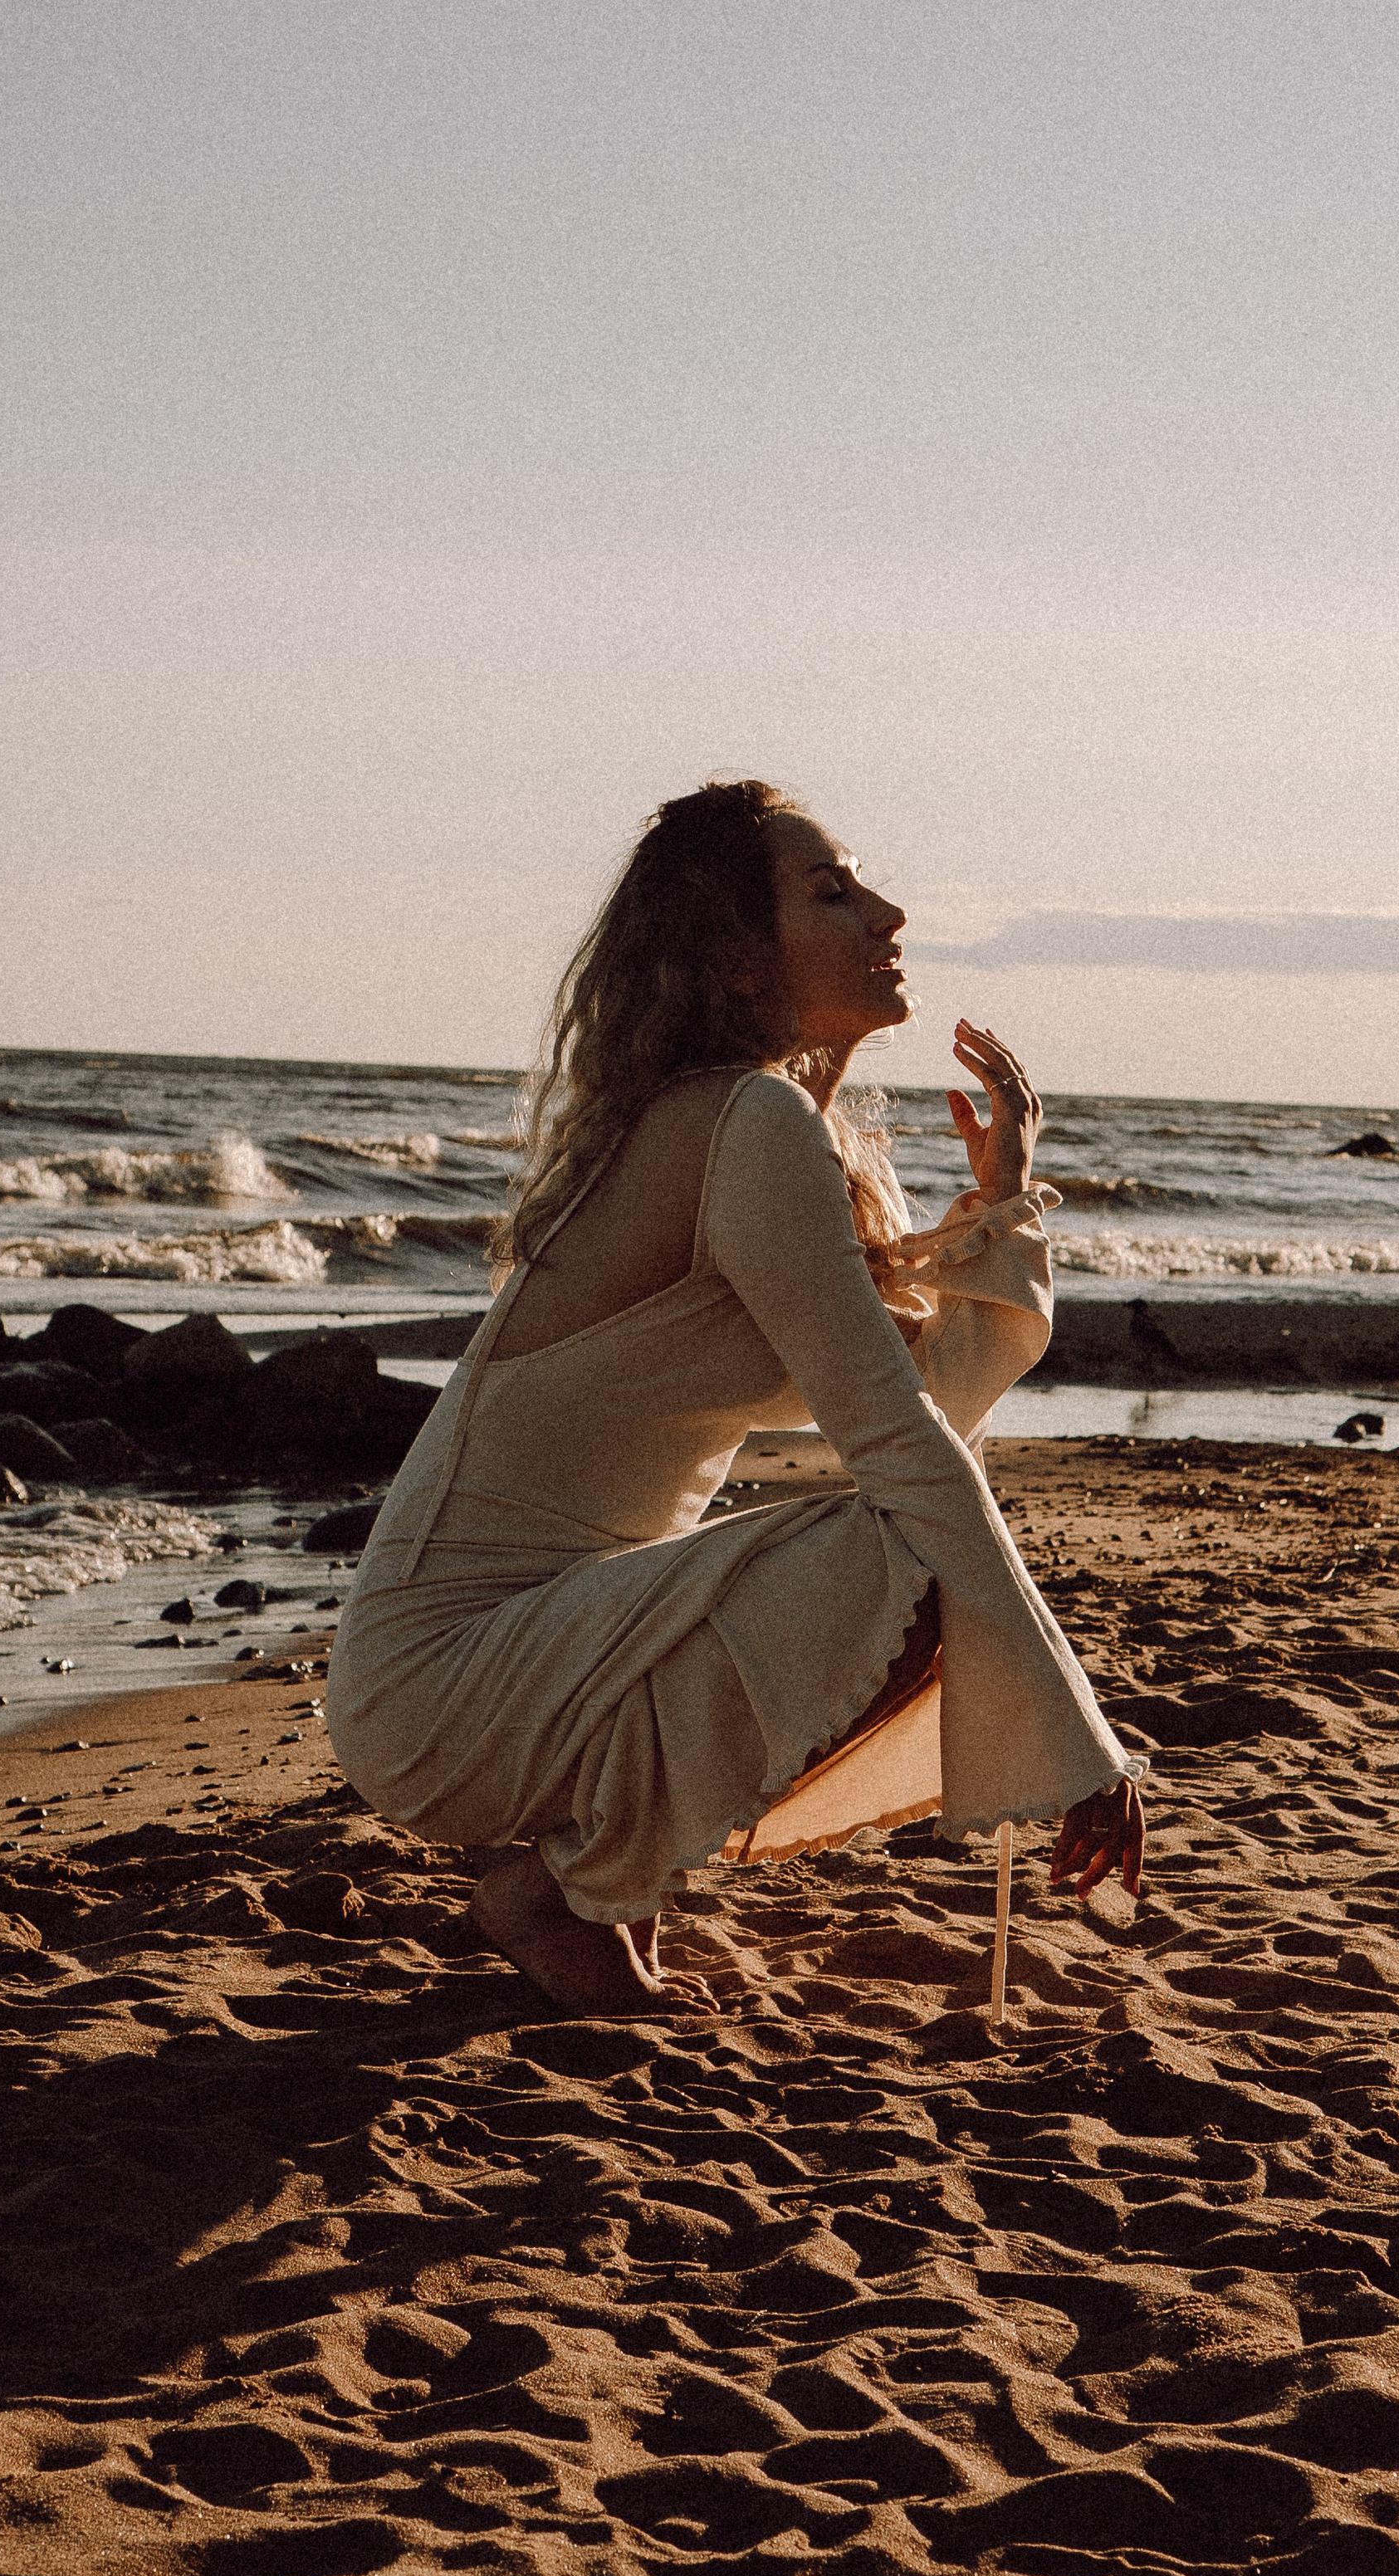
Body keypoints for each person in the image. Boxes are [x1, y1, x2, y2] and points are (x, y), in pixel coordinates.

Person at [325, 779, 1147, 2013]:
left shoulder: (749, 1125)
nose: (889, 910)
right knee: (909, 1545)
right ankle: (562, 1887)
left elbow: (926, 1399)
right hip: (448, 1682)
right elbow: (903, 1449)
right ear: (734, 952)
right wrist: (1081, 1739)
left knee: (911, 1530)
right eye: (831, 891)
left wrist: (1002, 1197)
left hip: (534, 1660)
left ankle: (584, 1882)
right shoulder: (736, 1122)